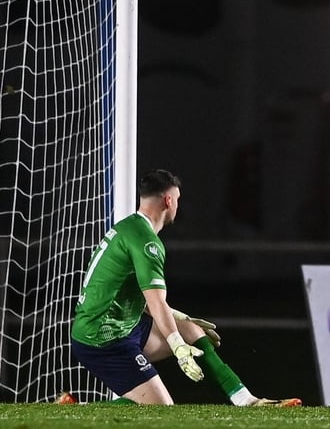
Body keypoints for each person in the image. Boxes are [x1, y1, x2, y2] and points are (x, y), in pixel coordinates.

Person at [67, 169, 301, 406]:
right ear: (168, 200)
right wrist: (177, 346)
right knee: (161, 408)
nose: (178, 205)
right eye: (177, 199)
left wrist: (179, 320)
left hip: (118, 325)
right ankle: (77, 410)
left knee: (191, 329)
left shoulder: (130, 228)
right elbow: (156, 302)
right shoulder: (148, 243)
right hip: (102, 339)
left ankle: (245, 399)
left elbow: (142, 297)